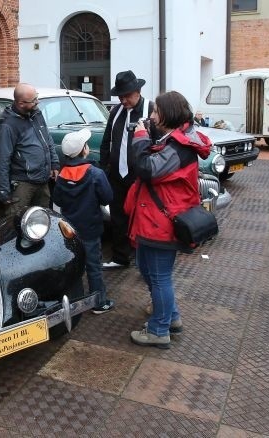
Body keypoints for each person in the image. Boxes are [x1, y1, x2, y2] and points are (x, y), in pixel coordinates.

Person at [124, 90, 211, 349]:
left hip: (162, 221)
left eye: (154, 112)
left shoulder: (180, 146)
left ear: (167, 113)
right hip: (153, 219)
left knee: (160, 276)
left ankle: (159, 329)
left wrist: (139, 138)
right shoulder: (173, 139)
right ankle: (170, 317)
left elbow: (148, 169)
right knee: (146, 267)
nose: (150, 116)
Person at [52, 128, 114, 314]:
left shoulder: (62, 176)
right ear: (84, 150)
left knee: (74, 265)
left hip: (69, 231)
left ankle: (76, 302)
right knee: (93, 266)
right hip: (91, 229)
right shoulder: (95, 173)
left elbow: (58, 201)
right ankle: (98, 302)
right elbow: (107, 197)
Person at [99, 70, 157, 269]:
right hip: (117, 175)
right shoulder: (115, 112)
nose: (123, 100)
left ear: (138, 91)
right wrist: (104, 168)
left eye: (127, 95)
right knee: (118, 217)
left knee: (143, 218)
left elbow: (159, 143)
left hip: (140, 176)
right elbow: (107, 141)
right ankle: (120, 258)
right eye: (120, 96)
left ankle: (146, 262)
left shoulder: (152, 110)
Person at [0, 83, 60, 224]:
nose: (37, 102)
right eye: (33, 100)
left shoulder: (37, 114)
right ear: (21, 103)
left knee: (43, 221)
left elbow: (47, 139)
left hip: (43, 181)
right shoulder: (9, 126)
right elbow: (3, 160)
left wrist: (54, 163)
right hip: (22, 183)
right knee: (16, 223)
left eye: (36, 98)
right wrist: (4, 192)